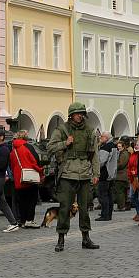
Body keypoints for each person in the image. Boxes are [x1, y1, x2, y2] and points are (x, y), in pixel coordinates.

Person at [47, 102, 100, 252]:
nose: (80, 116)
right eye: (77, 113)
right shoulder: (62, 129)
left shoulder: (89, 131)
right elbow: (50, 147)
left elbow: (95, 154)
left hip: (84, 173)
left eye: (82, 113)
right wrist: (65, 143)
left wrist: (96, 173)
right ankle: (61, 238)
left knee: (84, 209)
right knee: (64, 208)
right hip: (67, 173)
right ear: (71, 115)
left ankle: (86, 238)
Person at [10, 131, 44, 228]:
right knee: (31, 199)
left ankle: (22, 220)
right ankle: (29, 220)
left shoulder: (13, 150)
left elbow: (12, 165)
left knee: (22, 200)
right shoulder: (28, 147)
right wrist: (40, 171)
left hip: (19, 178)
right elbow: (34, 162)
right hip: (30, 178)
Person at [0, 129, 19, 232]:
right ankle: (13, 223)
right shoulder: (0, 148)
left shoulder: (3, 149)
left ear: (1, 137)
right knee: (1, 202)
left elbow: (1, 164)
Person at [96, 132, 117, 222]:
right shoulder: (114, 146)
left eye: (102, 137)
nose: (100, 138)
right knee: (109, 195)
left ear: (106, 137)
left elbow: (101, 161)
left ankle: (104, 215)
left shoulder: (106, 147)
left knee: (102, 195)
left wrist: (95, 168)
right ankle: (109, 214)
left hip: (105, 174)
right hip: (112, 174)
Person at [114, 138, 130, 211]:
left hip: (121, 175)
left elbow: (121, 164)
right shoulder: (123, 153)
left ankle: (121, 206)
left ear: (123, 147)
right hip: (122, 175)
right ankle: (123, 205)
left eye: (120, 146)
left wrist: (113, 166)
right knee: (122, 191)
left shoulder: (124, 154)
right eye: (118, 146)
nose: (118, 148)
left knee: (120, 191)